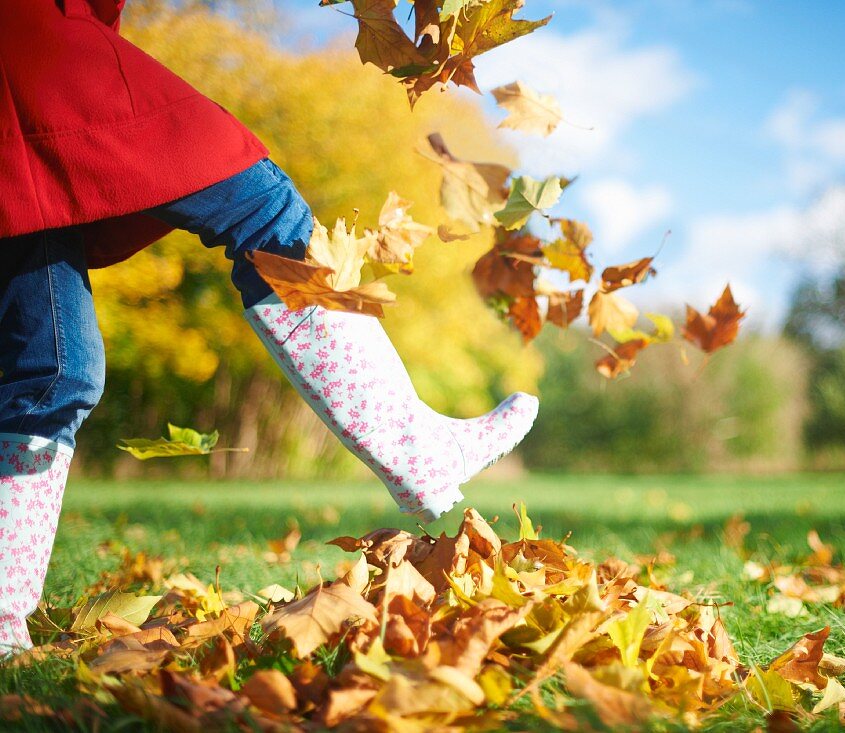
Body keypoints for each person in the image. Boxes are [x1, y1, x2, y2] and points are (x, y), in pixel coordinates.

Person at [0, 0, 538, 652]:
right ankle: (416, 447)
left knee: (55, 368)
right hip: (30, 39)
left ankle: (1, 620)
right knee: (267, 216)